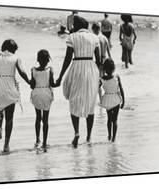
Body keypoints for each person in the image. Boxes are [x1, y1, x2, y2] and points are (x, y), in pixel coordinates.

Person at [56, 16, 101, 148]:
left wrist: (60, 77)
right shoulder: (94, 38)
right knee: (90, 102)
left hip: (77, 67)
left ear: (76, 26)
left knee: (74, 100)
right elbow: (98, 60)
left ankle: (76, 132)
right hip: (91, 69)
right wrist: (99, 77)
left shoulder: (72, 37)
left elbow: (68, 58)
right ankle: (89, 136)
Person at [30, 49, 58, 152]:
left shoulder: (33, 70)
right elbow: (52, 84)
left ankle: (37, 140)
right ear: (48, 60)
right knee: (45, 120)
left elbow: (32, 86)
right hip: (46, 93)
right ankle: (45, 142)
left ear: (38, 59)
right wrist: (59, 82)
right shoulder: (50, 70)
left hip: (36, 93)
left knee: (38, 117)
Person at [99, 58, 125, 142]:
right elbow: (121, 89)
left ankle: (109, 135)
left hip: (107, 99)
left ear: (104, 69)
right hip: (116, 99)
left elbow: (96, 88)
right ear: (114, 68)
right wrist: (124, 101)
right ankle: (114, 138)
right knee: (115, 120)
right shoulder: (117, 77)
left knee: (109, 119)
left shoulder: (102, 78)